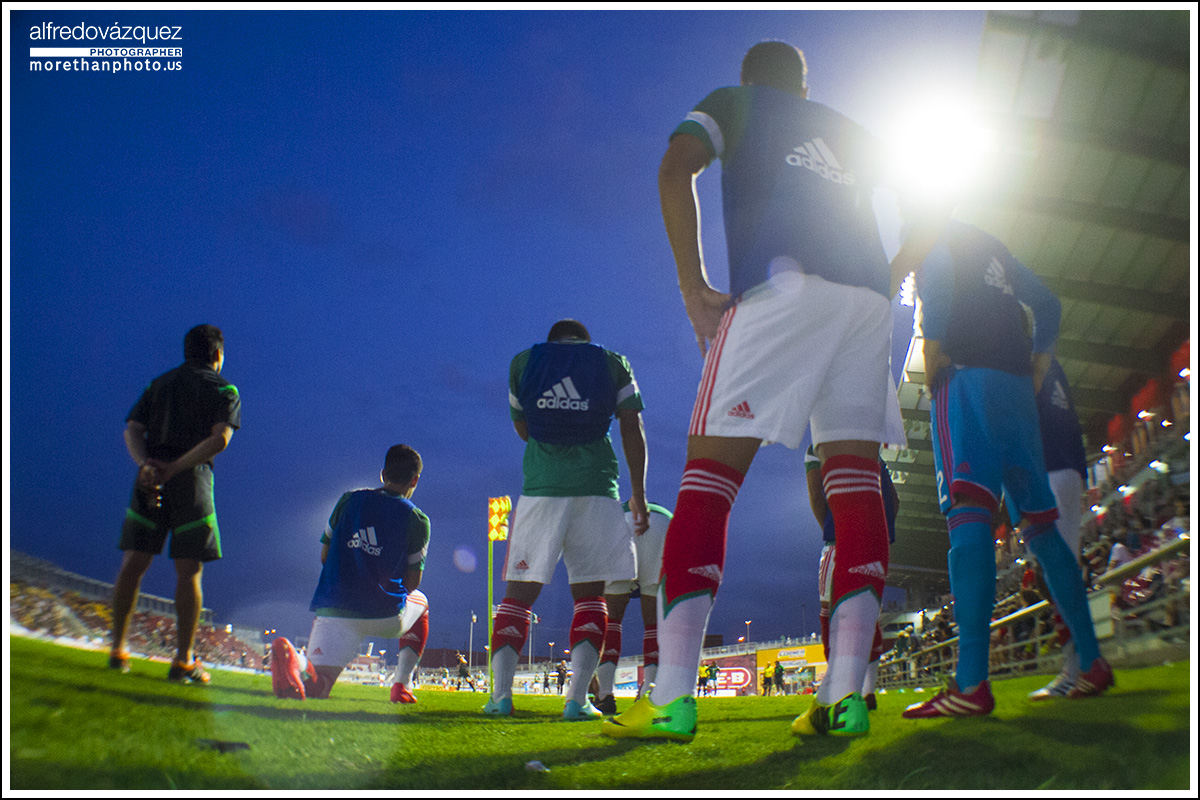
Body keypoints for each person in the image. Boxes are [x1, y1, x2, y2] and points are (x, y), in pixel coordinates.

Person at [604, 40, 905, 744]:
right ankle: (847, 697)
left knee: (709, 480)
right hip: (866, 304)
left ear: (748, 78)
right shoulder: (848, 128)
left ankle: (672, 698)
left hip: (781, 288)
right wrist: (881, 279)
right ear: (805, 86)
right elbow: (925, 208)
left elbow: (674, 168)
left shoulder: (734, 104)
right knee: (855, 483)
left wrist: (693, 288)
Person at [892, 216, 1113, 720]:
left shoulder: (933, 238)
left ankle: (971, 682)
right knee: (1043, 532)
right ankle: (1091, 660)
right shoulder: (994, 247)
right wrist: (1039, 361)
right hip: (1017, 393)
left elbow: (938, 279)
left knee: (968, 517)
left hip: (968, 383)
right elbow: (1048, 304)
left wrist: (931, 348)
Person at [484, 319, 648, 721]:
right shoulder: (613, 362)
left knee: (518, 594)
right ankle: (577, 701)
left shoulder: (523, 362)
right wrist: (639, 494)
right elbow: (632, 426)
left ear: (552, 340)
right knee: (590, 595)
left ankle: (500, 697)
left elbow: (523, 428)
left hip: (542, 487)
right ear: (585, 341)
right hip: (597, 487)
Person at [108, 324, 241, 684]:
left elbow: (132, 428)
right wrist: (177, 468)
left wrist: (146, 465)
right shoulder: (224, 389)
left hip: (149, 477)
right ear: (217, 354)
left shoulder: (159, 384)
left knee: (134, 562)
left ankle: (117, 651)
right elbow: (220, 440)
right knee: (189, 570)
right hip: (191, 481)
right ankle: (183, 661)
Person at [270, 445, 430, 704]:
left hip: (335, 608)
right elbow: (413, 583)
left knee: (318, 684)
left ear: (383, 474)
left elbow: (325, 556)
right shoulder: (417, 519)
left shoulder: (348, 500)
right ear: (415, 480)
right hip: (384, 613)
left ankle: (296, 661)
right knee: (422, 604)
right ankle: (402, 685)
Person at [804, 444, 899, 714]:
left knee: (830, 613)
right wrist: (879, 528)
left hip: (841, 538)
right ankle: (868, 690)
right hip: (876, 541)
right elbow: (894, 501)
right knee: (866, 614)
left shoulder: (817, 447)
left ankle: (840, 692)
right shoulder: (872, 448)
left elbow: (816, 496)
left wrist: (832, 529)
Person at [595, 501, 674, 714]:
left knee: (612, 620)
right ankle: (649, 690)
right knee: (653, 623)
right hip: (665, 523)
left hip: (622, 521)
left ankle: (604, 693)